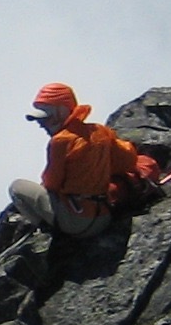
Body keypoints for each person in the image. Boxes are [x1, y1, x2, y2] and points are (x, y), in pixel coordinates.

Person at [9, 82, 142, 237]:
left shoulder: (60, 141)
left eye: (46, 118)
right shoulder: (100, 131)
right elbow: (128, 161)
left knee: (17, 187)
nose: (42, 125)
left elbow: (52, 183)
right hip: (104, 216)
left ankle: (48, 230)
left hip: (75, 223)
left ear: (61, 113)